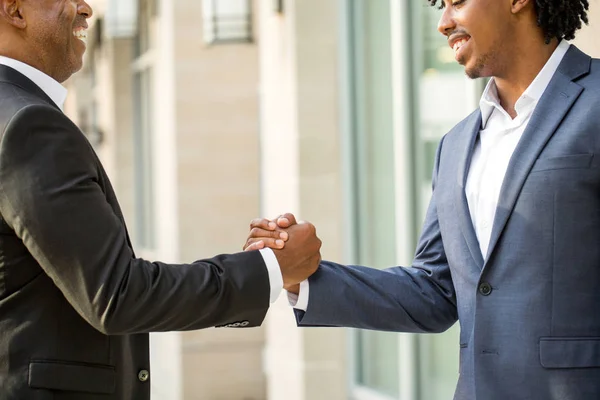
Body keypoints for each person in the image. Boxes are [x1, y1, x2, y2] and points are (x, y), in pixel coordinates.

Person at [246, 0, 600, 398]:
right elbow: (434, 293)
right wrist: (301, 276)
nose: (443, 23)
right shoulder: (456, 145)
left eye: (456, 3)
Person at [0, 1, 321, 399]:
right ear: (14, 11)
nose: (85, 8)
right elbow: (116, 295)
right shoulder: (27, 124)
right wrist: (270, 268)